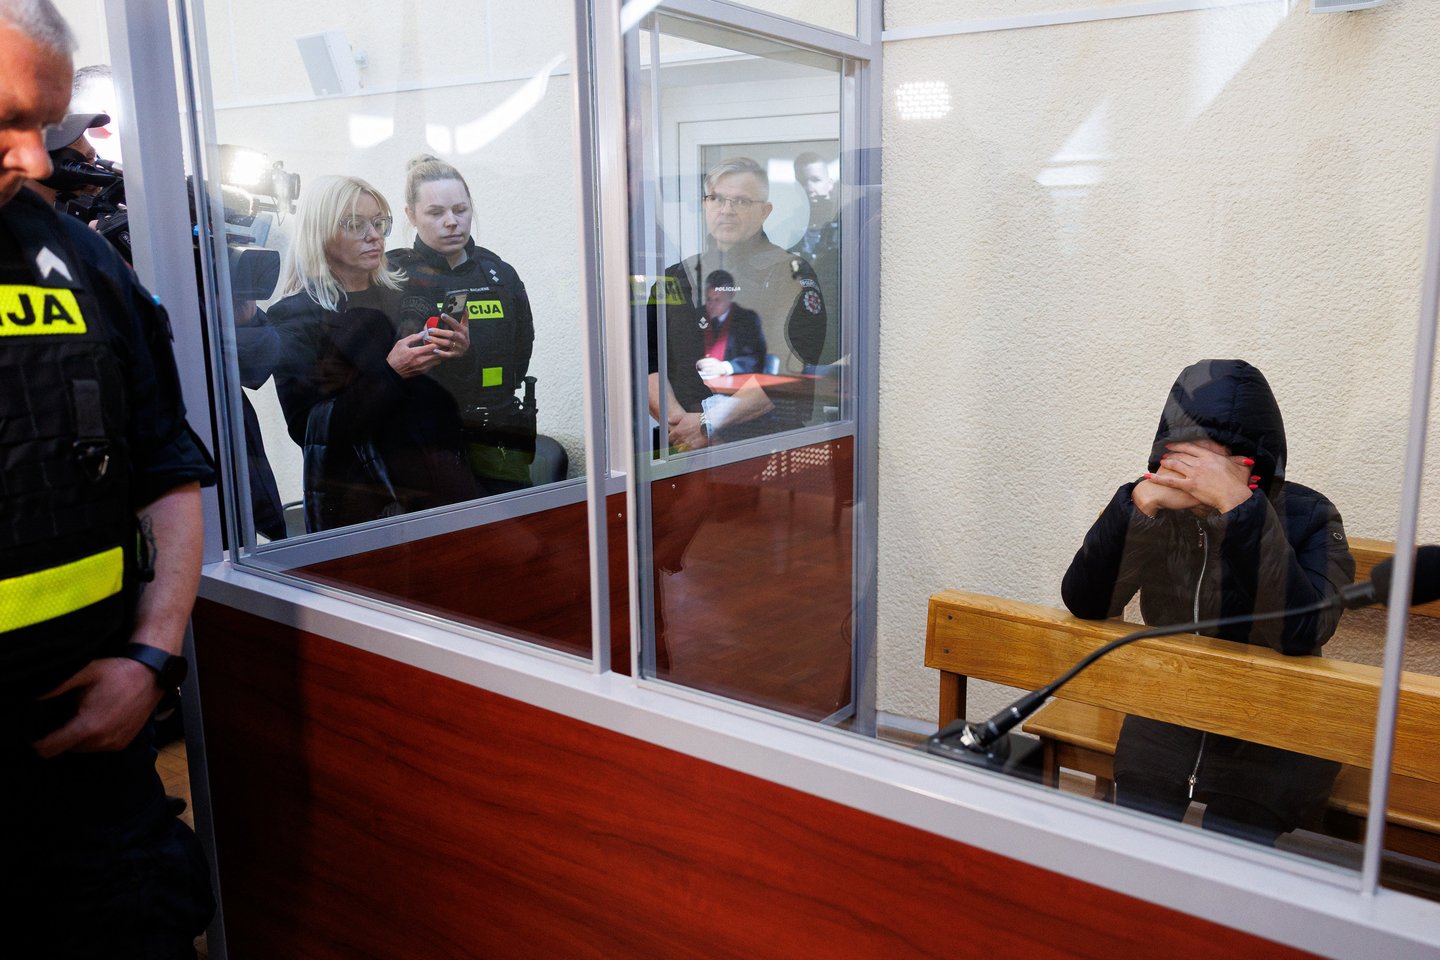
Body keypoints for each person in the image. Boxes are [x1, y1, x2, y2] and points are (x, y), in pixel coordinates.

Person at [0, 2, 216, 956]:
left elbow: (166, 465)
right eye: (7, 122)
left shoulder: (78, 260)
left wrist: (149, 661)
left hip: (88, 755)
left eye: (42, 126)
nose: (36, 159)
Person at [1060, 359, 1356, 845]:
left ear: (1249, 462)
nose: (1190, 474)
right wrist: (1139, 506)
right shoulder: (1157, 509)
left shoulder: (1311, 515)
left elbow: (1304, 631)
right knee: (1137, 846)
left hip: (1273, 729)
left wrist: (1239, 510)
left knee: (1232, 853)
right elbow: (1086, 602)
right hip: (1166, 713)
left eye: (1208, 462)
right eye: (1181, 455)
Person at [270, 174, 478, 531]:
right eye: (355, 225)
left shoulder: (404, 294)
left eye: (379, 222)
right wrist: (391, 373)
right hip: (362, 502)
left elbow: (447, 397)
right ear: (320, 232)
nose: (374, 235)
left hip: (438, 483)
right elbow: (310, 430)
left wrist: (459, 354)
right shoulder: (295, 316)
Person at [647, 156, 830, 450]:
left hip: (763, 448)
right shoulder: (676, 277)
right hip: (681, 445)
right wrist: (683, 427)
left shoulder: (790, 273)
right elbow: (648, 363)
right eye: (717, 198)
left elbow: (790, 368)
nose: (726, 210)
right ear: (705, 204)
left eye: (741, 201)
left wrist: (709, 424)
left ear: (764, 211)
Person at [387, 154, 537, 496]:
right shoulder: (392, 277)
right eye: (435, 212)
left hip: (499, 437)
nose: (452, 222)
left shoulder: (499, 274)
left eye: (460, 209)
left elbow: (521, 352)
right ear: (411, 215)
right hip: (426, 446)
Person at [788, 151, 840, 327]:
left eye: (816, 180)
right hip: (799, 320)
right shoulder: (786, 230)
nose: (809, 188)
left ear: (829, 184)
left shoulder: (846, 227)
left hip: (837, 320)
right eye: (803, 182)